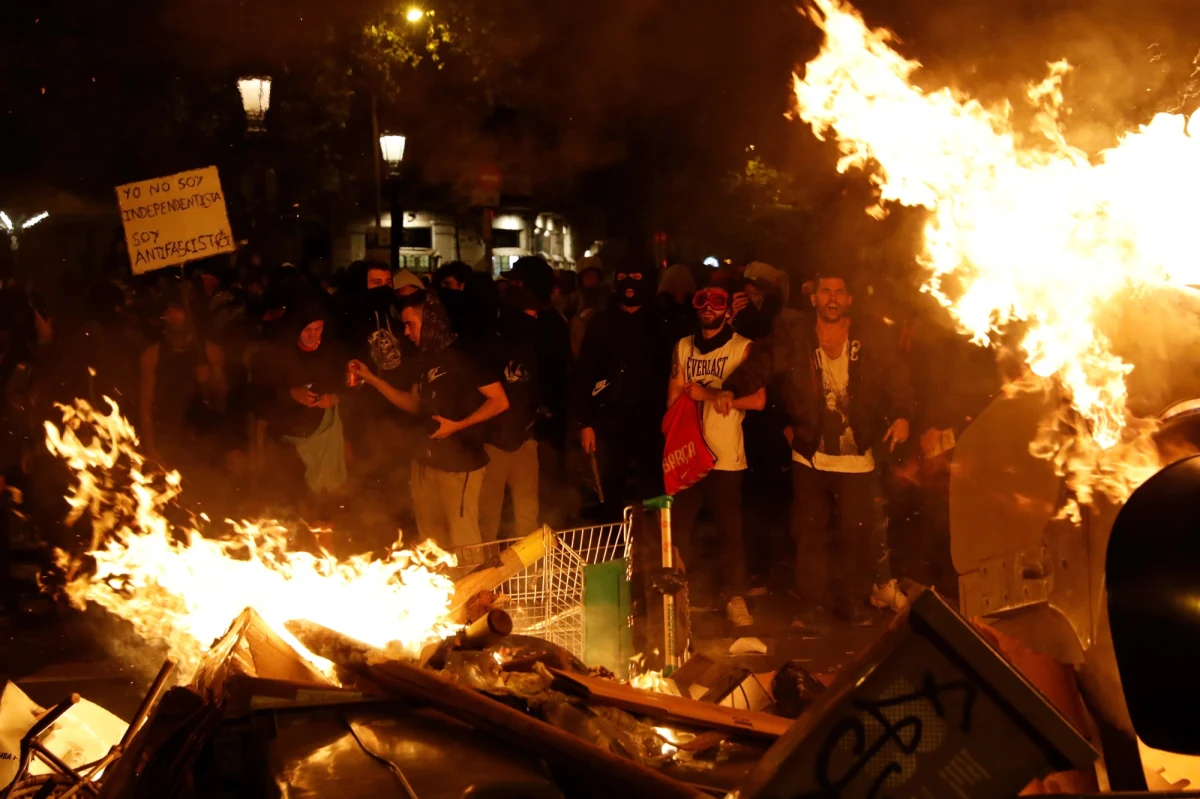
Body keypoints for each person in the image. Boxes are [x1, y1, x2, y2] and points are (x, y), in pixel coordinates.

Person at [720, 270, 913, 629]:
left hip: (857, 454)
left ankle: (849, 600)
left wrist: (902, 415)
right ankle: (812, 607)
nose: (833, 298)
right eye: (826, 291)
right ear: (814, 298)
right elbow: (764, 362)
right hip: (810, 451)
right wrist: (732, 388)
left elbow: (896, 374)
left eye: (840, 291)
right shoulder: (796, 335)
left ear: (849, 299)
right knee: (810, 533)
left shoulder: (868, 337)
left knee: (853, 533)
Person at [349, 290, 509, 548]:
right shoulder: (424, 358)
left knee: (463, 542)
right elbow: (413, 404)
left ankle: (471, 588)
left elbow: (500, 401)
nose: (407, 333)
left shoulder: (466, 355)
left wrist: (459, 425)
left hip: (460, 464)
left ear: (431, 322)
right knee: (431, 542)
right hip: (424, 462)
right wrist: (373, 379)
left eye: (410, 325)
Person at [666, 270, 765, 629]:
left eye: (718, 301)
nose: (708, 307)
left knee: (730, 533)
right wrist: (670, 445)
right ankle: (676, 600)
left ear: (729, 310)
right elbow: (674, 396)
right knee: (676, 532)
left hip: (725, 456)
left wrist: (708, 394)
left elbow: (757, 400)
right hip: (687, 456)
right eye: (701, 300)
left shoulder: (742, 348)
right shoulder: (683, 346)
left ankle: (735, 599)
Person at [574, 262, 671, 521]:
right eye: (625, 278)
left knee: (653, 484)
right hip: (609, 417)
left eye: (638, 277)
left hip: (653, 419)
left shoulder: (661, 321)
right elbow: (585, 372)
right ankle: (615, 545)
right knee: (609, 485)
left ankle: (653, 547)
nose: (631, 285)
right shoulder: (602, 322)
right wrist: (585, 422)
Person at [478, 286, 542, 540]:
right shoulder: (488, 346)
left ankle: (530, 577)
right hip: (492, 444)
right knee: (487, 518)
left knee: (528, 517)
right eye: (530, 313)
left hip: (525, 440)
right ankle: (485, 578)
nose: (535, 318)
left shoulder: (533, 346)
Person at [138, 288, 227, 467]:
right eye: (168, 311)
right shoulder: (152, 356)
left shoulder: (210, 352)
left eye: (177, 310)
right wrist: (151, 448)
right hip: (168, 439)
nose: (172, 316)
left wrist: (210, 380)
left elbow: (222, 400)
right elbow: (146, 406)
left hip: (205, 440)